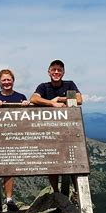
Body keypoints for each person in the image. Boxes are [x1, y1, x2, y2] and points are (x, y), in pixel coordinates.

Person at [30, 59, 83, 193]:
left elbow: (79, 99)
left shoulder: (69, 84)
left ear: (63, 72)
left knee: (74, 161)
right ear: (49, 72)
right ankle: (56, 192)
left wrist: (60, 99)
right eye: (53, 69)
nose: (56, 72)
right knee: (52, 162)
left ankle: (77, 192)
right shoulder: (44, 86)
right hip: (49, 131)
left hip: (67, 131)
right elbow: (34, 99)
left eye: (59, 70)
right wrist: (52, 103)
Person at [0, 69, 29, 211]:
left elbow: (26, 118)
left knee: (9, 168)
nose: (6, 82)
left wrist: (27, 105)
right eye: (4, 80)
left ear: (13, 81)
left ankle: (9, 199)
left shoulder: (20, 96)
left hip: (13, 137)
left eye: (9, 80)